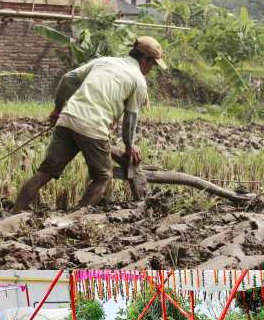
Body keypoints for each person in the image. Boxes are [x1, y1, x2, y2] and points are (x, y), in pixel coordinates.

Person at [11, 36, 166, 213]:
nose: (151, 69)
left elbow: (67, 79)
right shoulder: (138, 80)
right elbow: (130, 120)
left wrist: (57, 110)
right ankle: (73, 219)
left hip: (68, 118)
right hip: (93, 127)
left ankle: (14, 213)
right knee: (103, 176)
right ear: (144, 59)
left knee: (44, 173)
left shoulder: (104, 61)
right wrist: (130, 146)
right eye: (152, 64)